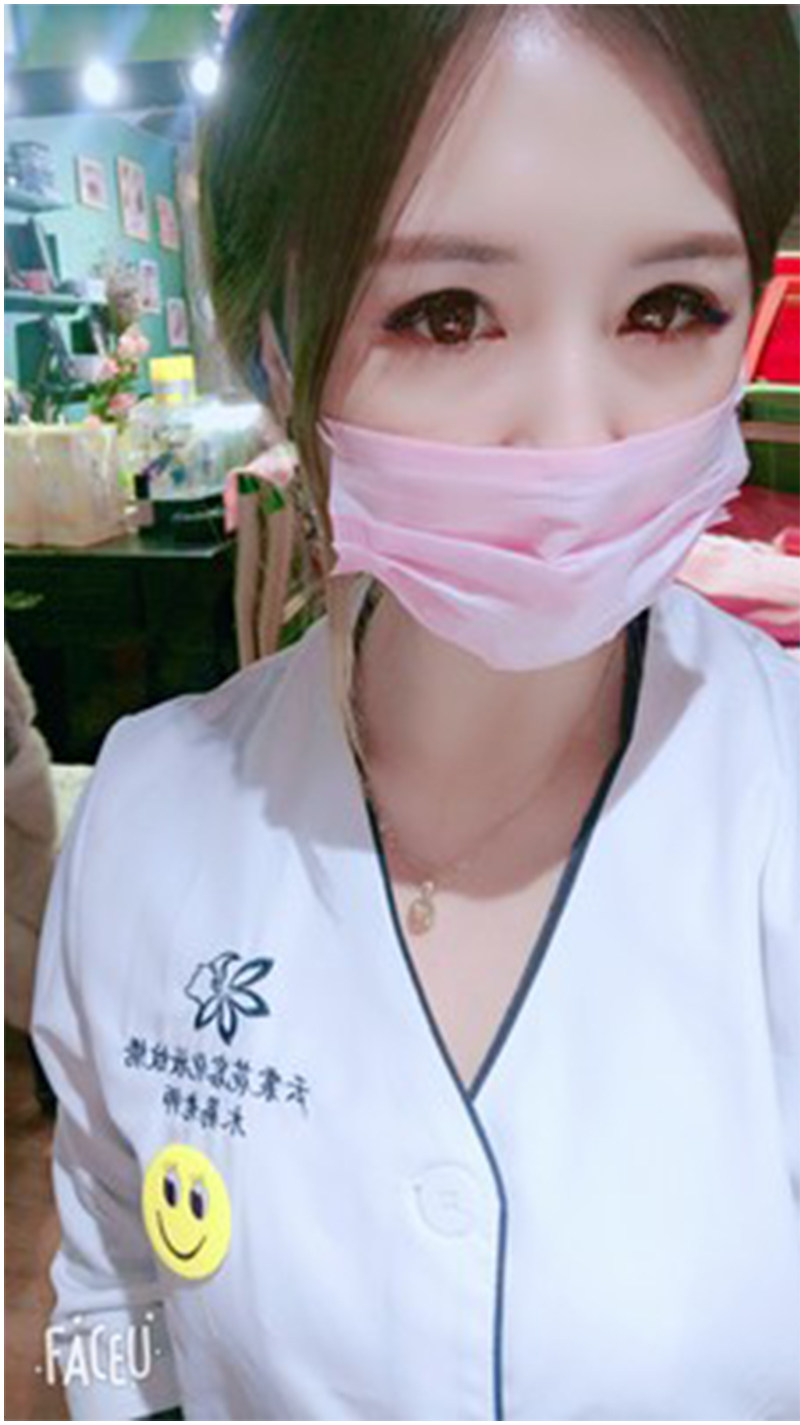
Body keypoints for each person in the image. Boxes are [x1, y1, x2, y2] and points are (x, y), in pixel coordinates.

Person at [32, 7, 799, 1420]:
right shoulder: (145, 820)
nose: (573, 436)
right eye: (445, 314)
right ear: (275, 350)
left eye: (667, 308)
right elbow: (110, 1296)